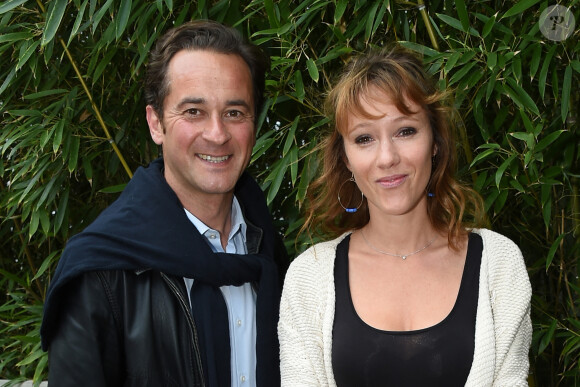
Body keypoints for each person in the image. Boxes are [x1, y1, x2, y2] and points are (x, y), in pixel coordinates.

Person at [41, 20, 288, 387]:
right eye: (193, 112)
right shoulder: (100, 274)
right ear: (156, 123)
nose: (217, 134)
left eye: (234, 112)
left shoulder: (271, 252)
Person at [278, 47, 532, 386]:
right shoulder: (308, 277)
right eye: (364, 138)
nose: (387, 158)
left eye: (405, 131)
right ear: (346, 158)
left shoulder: (499, 265)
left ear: (436, 142)